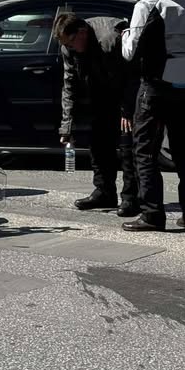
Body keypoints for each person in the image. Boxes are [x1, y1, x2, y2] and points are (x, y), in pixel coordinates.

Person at [120, 0, 185, 232]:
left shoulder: (147, 5)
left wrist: (124, 33)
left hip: (155, 87)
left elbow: (130, 52)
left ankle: (152, 215)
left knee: (145, 151)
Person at [54, 12, 140, 217]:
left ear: (81, 32)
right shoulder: (68, 47)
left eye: (71, 43)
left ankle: (131, 197)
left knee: (127, 149)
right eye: (66, 45)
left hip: (124, 95)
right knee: (99, 144)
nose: (69, 48)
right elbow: (69, 85)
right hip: (100, 95)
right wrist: (67, 126)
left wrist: (127, 110)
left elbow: (132, 75)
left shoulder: (110, 39)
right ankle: (104, 191)